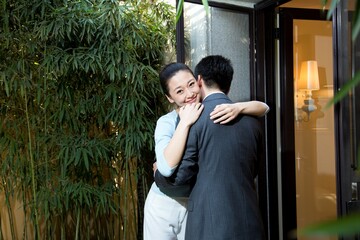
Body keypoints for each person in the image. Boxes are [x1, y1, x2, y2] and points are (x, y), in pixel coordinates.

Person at [143, 62, 268, 240]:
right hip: (165, 203)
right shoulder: (167, 122)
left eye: (191, 84)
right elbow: (166, 168)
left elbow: (264, 108)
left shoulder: (212, 112)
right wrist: (185, 122)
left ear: (199, 81)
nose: (189, 94)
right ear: (170, 98)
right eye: (179, 91)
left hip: (192, 204)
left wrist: (239, 107)